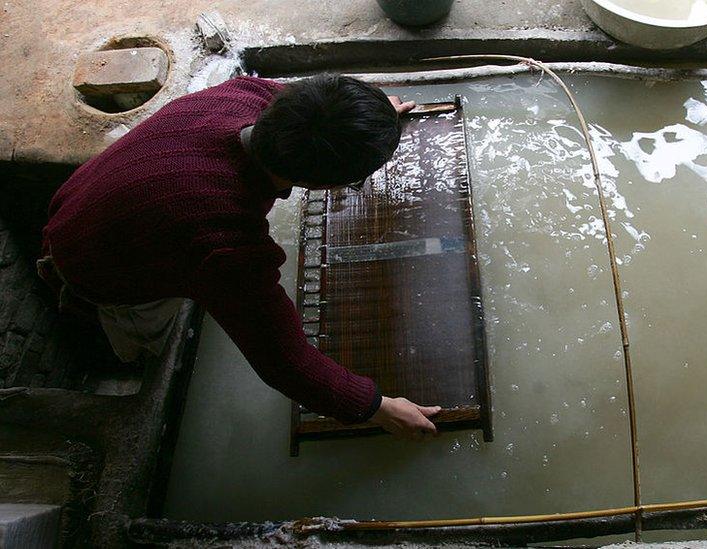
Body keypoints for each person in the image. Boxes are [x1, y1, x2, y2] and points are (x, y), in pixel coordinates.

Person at [40, 74, 441, 440]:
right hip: (89, 266)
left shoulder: (247, 93)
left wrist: (366, 114)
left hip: (78, 199)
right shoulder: (222, 243)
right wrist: (379, 408)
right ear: (318, 184)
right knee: (152, 329)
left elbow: (320, 109)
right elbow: (284, 362)